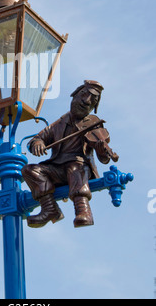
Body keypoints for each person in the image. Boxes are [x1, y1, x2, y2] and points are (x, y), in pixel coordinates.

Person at [21, 80, 113, 228]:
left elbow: (104, 159)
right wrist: (38, 143)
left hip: (78, 166)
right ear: (75, 95)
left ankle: (83, 210)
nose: (86, 102)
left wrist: (102, 150)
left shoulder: (93, 123)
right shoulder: (60, 122)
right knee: (29, 170)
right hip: (57, 168)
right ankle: (50, 209)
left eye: (92, 101)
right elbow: (37, 138)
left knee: (75, 169)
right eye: (83, 96)